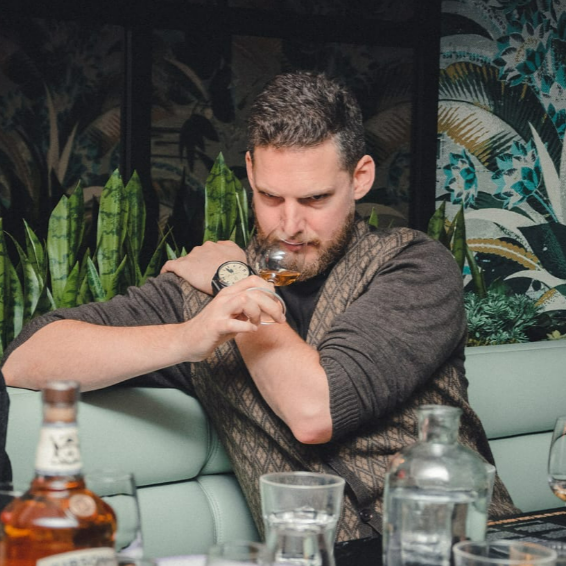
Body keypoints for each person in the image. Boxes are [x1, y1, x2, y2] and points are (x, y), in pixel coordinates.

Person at [1, 71, 518, 541]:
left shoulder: (413, 267)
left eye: (314, 199)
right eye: (271, 197)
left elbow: (315, 411)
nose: (289, 225)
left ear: (360, 178)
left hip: (465, 550)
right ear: (249, 172)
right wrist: (187, 338)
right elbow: (26, 359)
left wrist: (234, 279)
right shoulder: (199, 298)